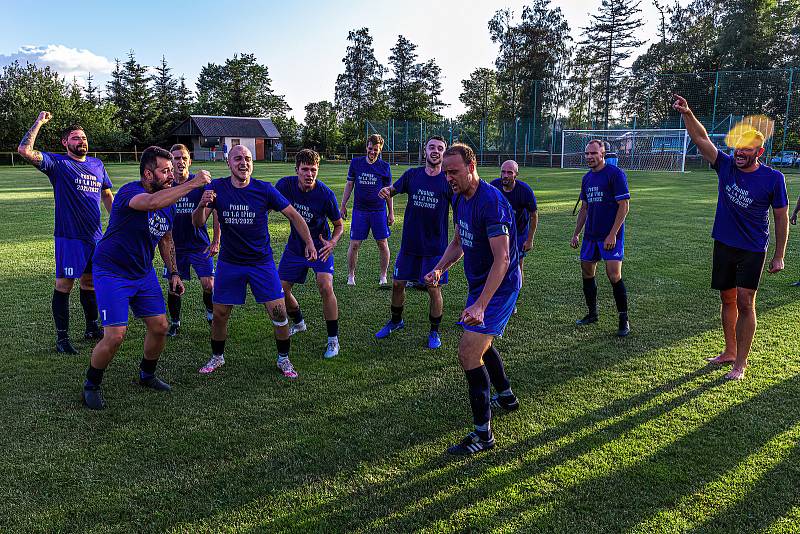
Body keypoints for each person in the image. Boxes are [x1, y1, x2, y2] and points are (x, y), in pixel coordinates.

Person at [82, 147, 211, 410]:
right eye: (165, 170)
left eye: (171, 169)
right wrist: (194, 183)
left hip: (143, 272)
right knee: (115, 335)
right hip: (112, 271)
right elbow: (150, 204)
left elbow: (166, 238)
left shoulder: (167, 203)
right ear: (148, 174)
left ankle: (147, 374)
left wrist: (174, 271)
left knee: (160, 326)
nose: (171, 173)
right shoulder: (131, 191)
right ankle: (91, 384)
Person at [673, 94, 788, 380]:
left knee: (746, 302)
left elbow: (781, 217)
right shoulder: (725, 166)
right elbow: (701, 139)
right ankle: (730, 351)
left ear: (758, 153)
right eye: (738, 147)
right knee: (727, 299)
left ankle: (741, 364)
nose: (740, 153)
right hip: (724, 243)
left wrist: (779, 255)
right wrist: (688, 112)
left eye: (747, 149)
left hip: (752, 248)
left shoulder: (774, 179)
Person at [425, 143, 521, 456]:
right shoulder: (458, 196)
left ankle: (484, 435)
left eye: (454, 171)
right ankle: (505, 395)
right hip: (479, 284)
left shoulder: (491, 202)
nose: (448, 177)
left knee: (468, 353)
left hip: (499, 286)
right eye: (446, 172)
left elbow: (503, 259)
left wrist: (481, 304)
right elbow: (459, 240)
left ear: (471, 166)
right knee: (481, 345)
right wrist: (440, 268)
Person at [192, 145, 317, 378]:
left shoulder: (264, 190)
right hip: (230, 263)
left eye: (247, 159)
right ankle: (217, 357)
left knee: (279, 313)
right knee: (220, 314)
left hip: (261, 263)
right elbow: (198, 223)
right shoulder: (216, 188)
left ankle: (284, 359)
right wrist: (201, 204)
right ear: (229, 163)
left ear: (252, 163)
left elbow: (293, 215)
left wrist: (309, 242)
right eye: (238, 158)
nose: (243, 163)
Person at [17, 112, 114, 353]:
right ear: (65, 143)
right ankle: (62, 339)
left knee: (89, 282)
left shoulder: (97, 164)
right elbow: (24, 150)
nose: (81, 141)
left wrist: (117, 222)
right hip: (69, 237)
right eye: (75, 138)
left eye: (83, 137)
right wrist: (39, 121)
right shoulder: (58, 164)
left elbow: (106, 194)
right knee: (64, 285)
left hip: (95, 237)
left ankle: (92, 327)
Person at [375, 135, 451, 349]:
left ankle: (434, 332)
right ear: (424, 151)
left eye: (440, 148)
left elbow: (460, 206)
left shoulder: (447, 180)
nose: (435, 151)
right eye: (431, 147)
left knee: (433, 288)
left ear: (444, 154)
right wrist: (386, 191)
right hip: (409, 245)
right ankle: (396, 321)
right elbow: (393, 189)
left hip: (435, 248)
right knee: (398, 284)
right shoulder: (412, 175)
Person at [276, 149, 344, 359]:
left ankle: (333, 340)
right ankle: (299, 322)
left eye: (313, 170)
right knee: (280, 290)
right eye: (305, 169)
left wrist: (332, 242)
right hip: (296, 247)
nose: (309, 174)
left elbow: (339, 226)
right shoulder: (285, 186)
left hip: (320, 246)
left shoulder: (325, 194)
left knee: (325, 286)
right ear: (296, 170)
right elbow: (267, 204)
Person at [570, 140, 631, 337]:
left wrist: (612, 234)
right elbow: (585, 208)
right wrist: (577, 233)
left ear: (603, 154)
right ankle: (592, 313)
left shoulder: (615, 174)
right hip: (591, 236)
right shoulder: (586, 178)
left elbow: (624, 206)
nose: (589, 157)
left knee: (614, 275)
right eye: (587, 153)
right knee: (587, 272)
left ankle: (624, 319)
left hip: (611, 235)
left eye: (593, 153)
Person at [164, 144, 220, 336]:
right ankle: (175, 322)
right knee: (173, 287)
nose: (180, 162)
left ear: (190, 161)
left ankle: (211, 313)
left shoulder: (200, 185)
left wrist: (216, 241)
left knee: (209, 285)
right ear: (171, 162)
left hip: (199, 244)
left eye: (183, 158)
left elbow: (216, 212)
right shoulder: (166, 187)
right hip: (174, 246)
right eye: (176, 158)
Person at [339, 134, 394, 286]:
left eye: (376, 149)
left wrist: (391, 212)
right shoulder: (356, 163)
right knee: (355, 244)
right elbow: (349, 184)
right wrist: (343, 205)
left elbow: (389, 191)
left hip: (378, 210)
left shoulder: (384, 167)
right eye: (370, 148)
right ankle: (351, 276)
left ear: (380, 149)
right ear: (366, 147)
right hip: (360, 211)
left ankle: (383, 276)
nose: (373, 152)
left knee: (382, 243)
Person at [490, 160, 538, 304]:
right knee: (496, 263)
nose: (505, 175)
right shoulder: (494, 186)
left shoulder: (525, 191)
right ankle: (494, 295)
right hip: (500, 231)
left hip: (518, 232)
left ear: (516, 174)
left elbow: (534, 215)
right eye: (503, 171)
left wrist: (529, 239)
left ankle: (513, 301)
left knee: (516, 266)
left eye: (509, 172)